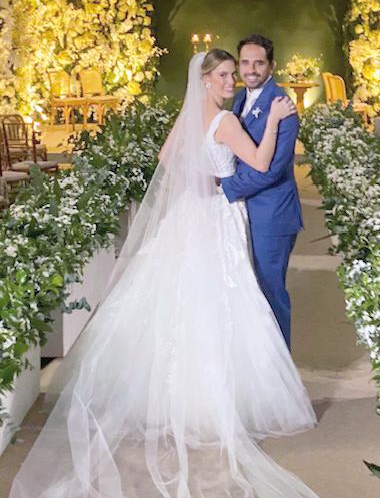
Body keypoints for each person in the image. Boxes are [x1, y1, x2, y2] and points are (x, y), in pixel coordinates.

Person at [9, 50, 319, 498]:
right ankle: (216, 401)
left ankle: (177, 396)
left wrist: (196, 184)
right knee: (224, 302)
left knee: (183, 298)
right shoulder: (226, 122)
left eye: (234, 74)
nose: (232, 81)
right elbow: (258, 161)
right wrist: (270, 124)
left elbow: (165, 156)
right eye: (226, 75)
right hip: (219, 217)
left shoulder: (192, 116)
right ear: (208, 80)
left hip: (191, 214)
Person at [221, 35, 303, 349]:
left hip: (273, 214)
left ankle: (282, 376)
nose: (251, 69)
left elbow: (271, 169)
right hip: (245, 210)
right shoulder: (240, 99)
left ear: (272, 65)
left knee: (271, 292)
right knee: (249, 292)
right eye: (245, 62)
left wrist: (224, 187)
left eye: (258, 63)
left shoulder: (282, 104)